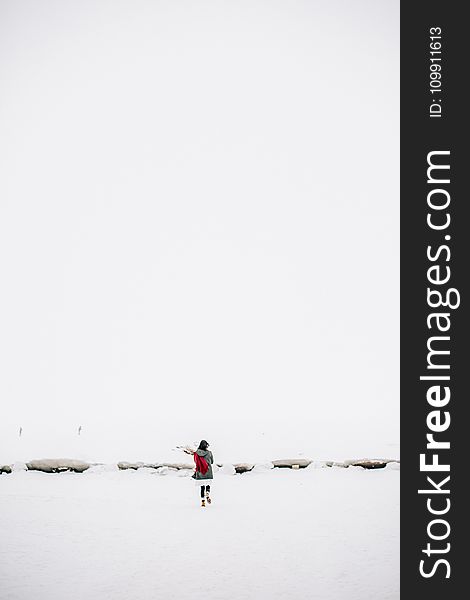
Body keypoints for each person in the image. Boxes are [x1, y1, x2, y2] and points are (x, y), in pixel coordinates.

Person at [192, 440, 214, 507]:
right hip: (208, 471)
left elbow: (195, 462)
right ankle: (207, 493)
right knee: (207, 484)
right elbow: (212, 462)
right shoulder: (209, 453)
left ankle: (203, 502)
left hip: (200, 472)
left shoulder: (196, 453)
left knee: (202, 487)